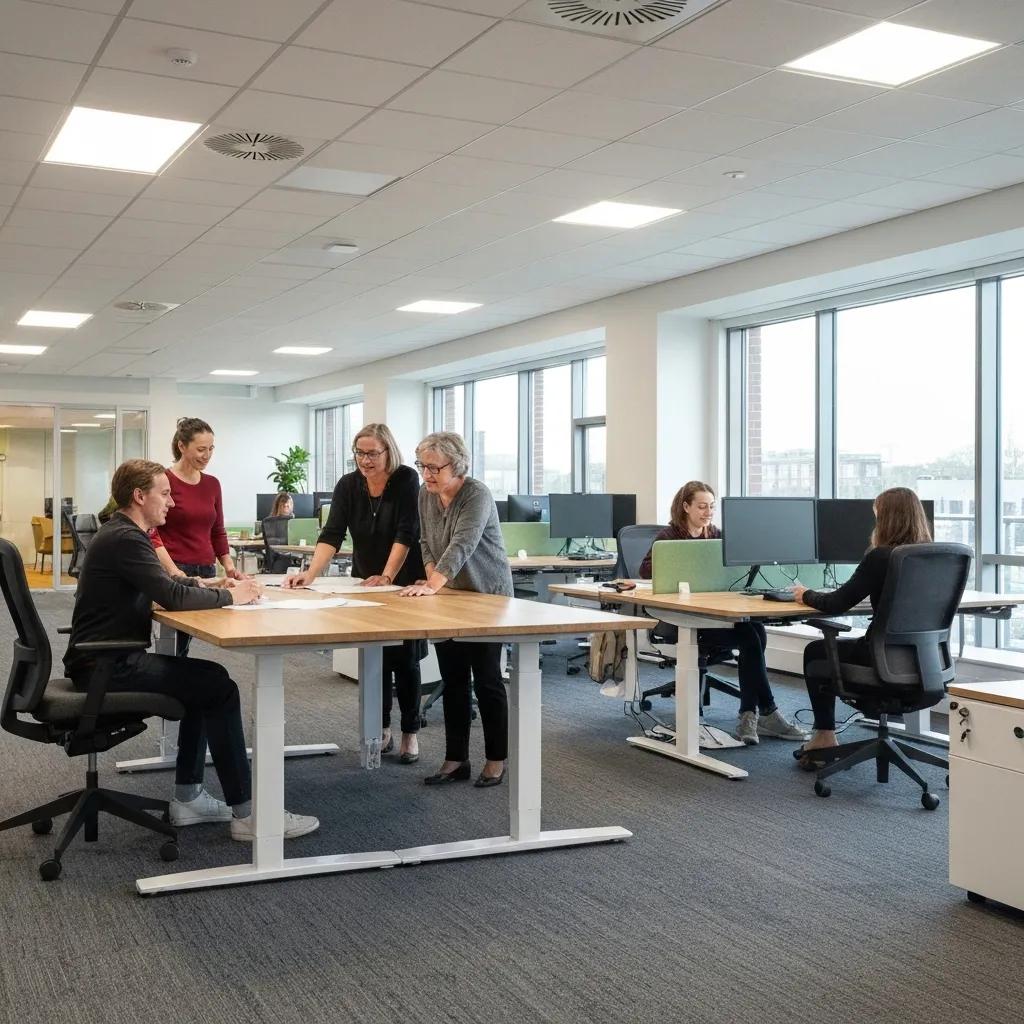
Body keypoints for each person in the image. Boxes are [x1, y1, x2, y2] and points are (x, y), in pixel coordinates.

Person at [64, 459, 318, 840]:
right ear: (139, 496)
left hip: (103, 658)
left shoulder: (125, 534)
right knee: (217, 687)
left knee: (206, 682)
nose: (171, 503)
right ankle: (250, 815)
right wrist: (231, 595)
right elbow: (170, 595)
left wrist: (211, 583)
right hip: (106, 665)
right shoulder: (125, 538)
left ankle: (189, 798)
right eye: (164, 494)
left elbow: (167, 581)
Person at [284, 424, 426, 763]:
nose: (365, 460)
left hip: (403, 579)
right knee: (374, 656)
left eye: (372, 453)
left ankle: (410, 731)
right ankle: (381, 727)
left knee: (405, 658)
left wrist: (388, 575)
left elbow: (407, 532)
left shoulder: (406, 479)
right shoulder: (349, 485)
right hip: (365, 579)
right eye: (359, 453)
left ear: (388, 451)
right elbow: (332, 533)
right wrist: (310, 573)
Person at [639, 480, 807, 745]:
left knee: (757, 632)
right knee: (752, 638)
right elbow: (646, 571)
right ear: (686, 507)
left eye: (712, 507)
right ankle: (761, 714)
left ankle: (753, 714)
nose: (708, 512)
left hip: (716, 613)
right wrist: (682, 564)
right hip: (680, 617)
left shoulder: (715, 534)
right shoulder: (669, 537)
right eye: (702, 506)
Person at [399, 431, 514, 788]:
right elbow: (425, 541)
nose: (427, 474)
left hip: (486, 597)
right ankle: (456, 759)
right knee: (454, 680)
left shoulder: (476, 494)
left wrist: (432, 584)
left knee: (488, 680)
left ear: (458, 465)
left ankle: (496, 759)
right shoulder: (426, 494)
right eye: (423, 466)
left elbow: (463, 543)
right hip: (450, 596)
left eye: (435, 467)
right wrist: (434, 579)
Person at [792, 486, 933, 767]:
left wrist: (804, 594)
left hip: (881, 659)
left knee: (816, 652)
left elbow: (836, 603)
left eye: (878, 516)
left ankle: (824, 737)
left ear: (887, 520)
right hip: (926, 661)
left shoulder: (881, 556)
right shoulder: (934, 557)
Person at [151, 417, 246, 584]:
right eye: (201, 449)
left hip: (208, 568)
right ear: (182, 446)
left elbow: (218, 531)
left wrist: (229, 567)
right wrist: (173, 570)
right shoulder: (164, 480)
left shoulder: (212, 484)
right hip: (174, 568)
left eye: (211, 449)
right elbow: (152, 533)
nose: (207, 455)